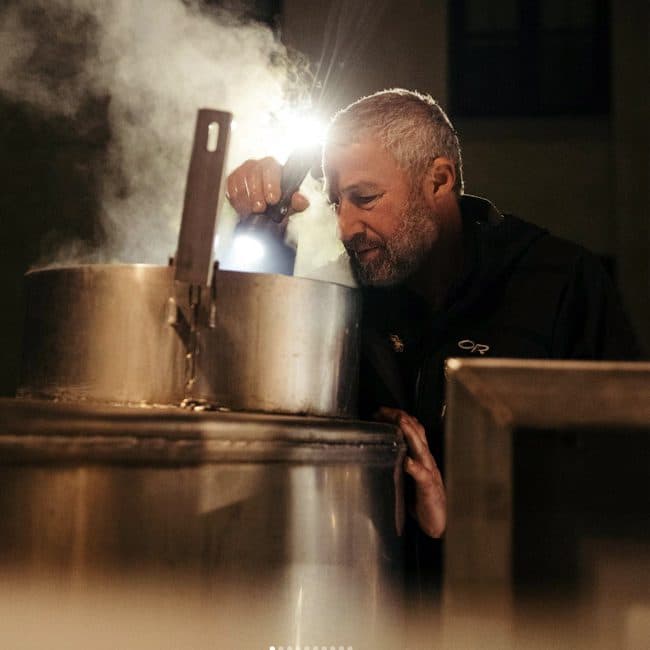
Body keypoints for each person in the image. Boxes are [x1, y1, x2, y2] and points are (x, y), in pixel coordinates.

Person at [226, 88, 642, 556]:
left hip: (526, 619)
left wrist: (460, 525)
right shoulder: (348, 296)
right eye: (336, 203)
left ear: (440, 180)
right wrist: (263, 228)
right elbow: (254, 405)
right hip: (368, 614)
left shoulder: (556, 282)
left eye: (365, 198)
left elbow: (625, 484)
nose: (345, 226)